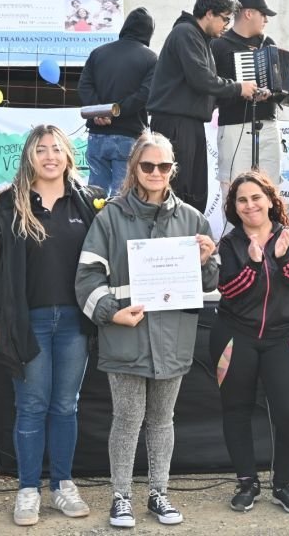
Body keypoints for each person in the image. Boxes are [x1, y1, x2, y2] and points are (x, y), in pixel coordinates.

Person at [75, 132, 219, 528]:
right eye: (148, 165)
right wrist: (110, 313)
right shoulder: (109, 217)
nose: (156, 172)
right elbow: (87, 278)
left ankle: (160, 494)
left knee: (162, 419)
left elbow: (207, 284)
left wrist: (207, 261)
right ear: (134, 168)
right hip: (126, 335)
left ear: (174, 169)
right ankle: (120, 497)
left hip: (171, 340)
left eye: (164, 166)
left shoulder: (193, 219)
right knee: (126, 419)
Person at [0, 125, 106, 526]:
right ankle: (28, 490)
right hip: (27, 323)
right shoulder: (6, 204)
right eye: (41, 149)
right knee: (31, 406)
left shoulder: (88, 201)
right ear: (29, 156)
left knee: (65, 406)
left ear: (68, 155)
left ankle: (62, 485)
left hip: (74, 324)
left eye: (56, 149)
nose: (49, 156)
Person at [210, 171, 289, 515]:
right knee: (236, 409)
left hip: (281, 337)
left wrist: (282, 257)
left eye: (256, 197)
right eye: (242, 199)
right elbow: (227, 291)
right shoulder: (230, 243)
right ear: (234, 207)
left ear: (270, 200)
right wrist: (254, 266)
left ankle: (283, 484)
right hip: (235, 335)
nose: (250, 205)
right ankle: (246, 482)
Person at [147, 0, 257, 213]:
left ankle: (187, 241)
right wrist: (237, 88)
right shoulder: (186, 33)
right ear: (209, 14)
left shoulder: (197, 37)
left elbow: (204, 85)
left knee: (193, 192)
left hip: (188, 123)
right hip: (175, 123)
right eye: (225, 19)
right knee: (178, 190)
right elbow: (202, 79)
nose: (226, 27)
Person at [211, 0, 289, 197]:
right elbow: (211, 89)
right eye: (263, 15)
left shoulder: (268, 43)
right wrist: (238, 90)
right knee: (234, 185)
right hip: (234, 124)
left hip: (268, 124)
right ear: (248, 13)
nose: (266, 21)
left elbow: (283, 92)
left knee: (270, 186)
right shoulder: (219, 45)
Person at [78, 6, 157, 196]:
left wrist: (100, 112)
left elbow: (84, 86)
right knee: (123, 197)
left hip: (97, 134)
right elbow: (144, 95)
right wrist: (115, 111)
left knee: (94, 195)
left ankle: (95, 226)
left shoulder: (98, 53)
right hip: (128, 135)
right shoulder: (151, 58)